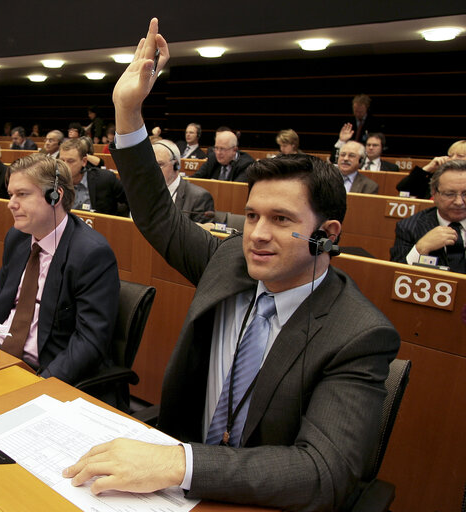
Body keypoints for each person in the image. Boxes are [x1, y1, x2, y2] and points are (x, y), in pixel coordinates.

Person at [64, 19, 400, 511]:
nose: (258, 234)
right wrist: (127, 109)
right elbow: (157, 215)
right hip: (173, 493)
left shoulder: (359, 335)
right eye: (252, 215)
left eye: (281, 219)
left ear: (326, 236)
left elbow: (322, 472)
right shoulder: (231, 259)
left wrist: (181, 464)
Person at [0, 153, 119, 386]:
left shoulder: (91, 254)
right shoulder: (17, 238)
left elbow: (89, 342)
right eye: (11, 194)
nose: (11, 204)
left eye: (22, 194)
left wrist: (41, 385)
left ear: (54, 196)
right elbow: (0, 303)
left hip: (43, 372)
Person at [390, 159, 466, 273]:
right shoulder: (409, 227)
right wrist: (420, 249)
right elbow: (393, 275)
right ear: (434, 193)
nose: (459, 202)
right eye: (450, 194)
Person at [58, 138, 128, 216]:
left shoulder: (105, 179)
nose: (65, 166)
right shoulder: (54, 182)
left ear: (84, 161)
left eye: (71, 161)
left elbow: (133, 201)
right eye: (61, 161)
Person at [153, 139, 214, 223]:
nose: (153, 170)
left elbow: (201, 234)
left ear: (176, 165)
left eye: (160, 164)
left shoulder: (199, 198)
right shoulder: (143, 191)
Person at [396, 140, 466, 199]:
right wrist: (429, 167)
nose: (453, 159)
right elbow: (403, 189)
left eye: (460, 156)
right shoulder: (438, 176)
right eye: (450, 156)